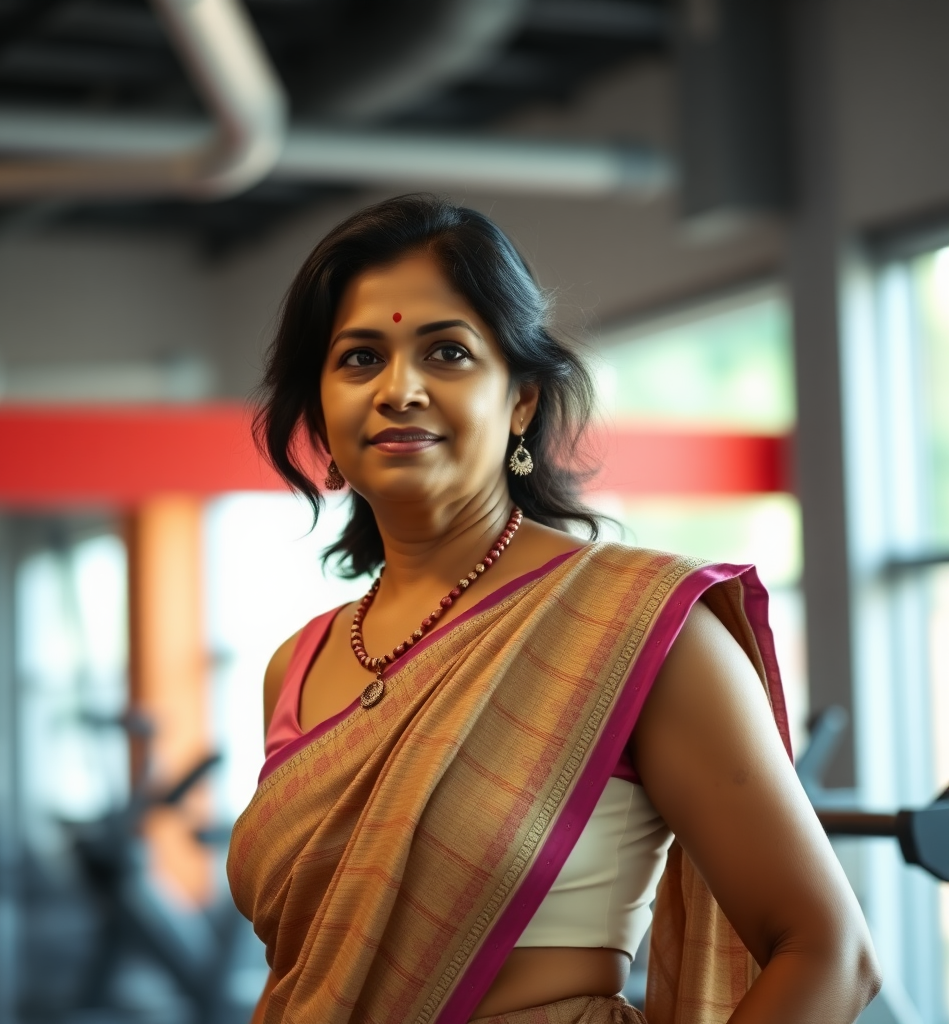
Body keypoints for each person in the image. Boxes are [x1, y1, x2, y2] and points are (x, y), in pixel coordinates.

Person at [226, 194, 880, 1024]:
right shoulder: (299, 664)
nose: (401, 389)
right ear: (320, 409)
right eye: (359, 358)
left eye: (448, 352)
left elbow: (829, 952)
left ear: (523, 401)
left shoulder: (635, 627)